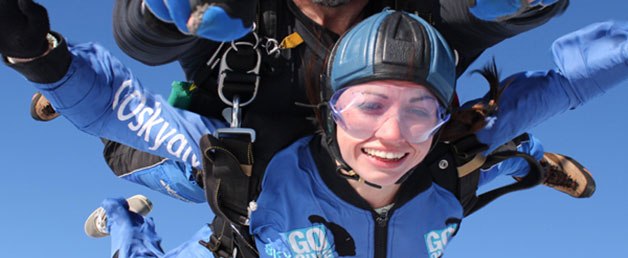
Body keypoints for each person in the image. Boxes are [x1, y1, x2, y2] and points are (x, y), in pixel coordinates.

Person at [3, 3, 625, 258]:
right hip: (244, 228)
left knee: (489, 151)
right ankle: (122, 216)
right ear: (330, 111)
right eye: (369, 106)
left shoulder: (443, 147)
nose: (392, 136)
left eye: (419, 112)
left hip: (283, 257)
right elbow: (122, 107)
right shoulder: (261, 167)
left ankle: (532, 163)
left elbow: (570, 81)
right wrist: (43, 58)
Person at [29, 0, 572, 204]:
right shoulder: (237, 11)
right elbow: (144, 38)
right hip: (238, 158)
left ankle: (525, 159)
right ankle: (74, 88)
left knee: (454, 163)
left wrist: (531, 3)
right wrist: (151, 15)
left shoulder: (421, 12)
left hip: (381, 164)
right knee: (133, 150)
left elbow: (494, 11)